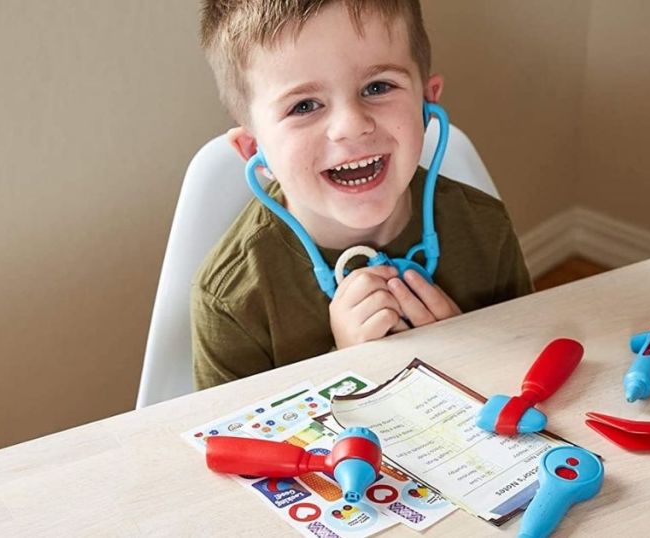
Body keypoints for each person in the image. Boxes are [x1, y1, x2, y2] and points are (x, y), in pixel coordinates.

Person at [192, 0, 533, 389]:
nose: (351, 125)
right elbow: (236, 445)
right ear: (255, 150)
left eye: (377, 87)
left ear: (428, 103)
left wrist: (467, 349)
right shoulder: (231, 299)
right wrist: (347, 368)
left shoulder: (486, 230)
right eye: (304, 105)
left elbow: (529, 377)